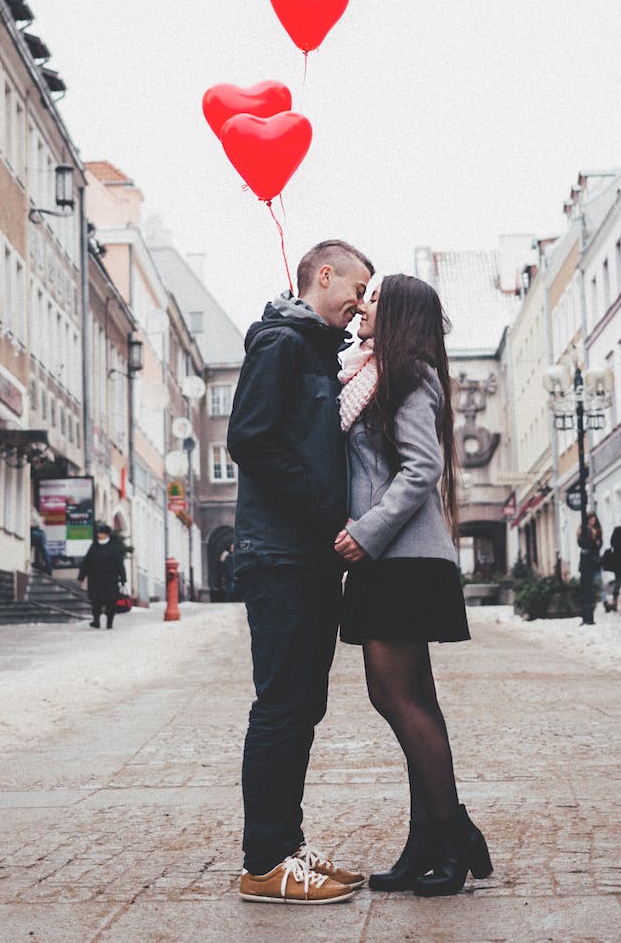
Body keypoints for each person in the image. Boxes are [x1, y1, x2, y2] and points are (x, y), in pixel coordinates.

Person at [334, 274, 491, 897]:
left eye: (373, 299)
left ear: (396, 313)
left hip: (401, 557)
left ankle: (450, 835)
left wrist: (366, 532)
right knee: (408, 700)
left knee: (398, 699)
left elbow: (422, 467)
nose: (361, 306)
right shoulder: (366, 375)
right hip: (387, 559)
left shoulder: (411, 376)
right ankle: (432, 835)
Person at [228, 239, 373, 905]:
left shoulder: (315, 353)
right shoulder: (281, 345)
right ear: (324, 274)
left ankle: (288, 849)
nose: (361, 303)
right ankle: (265, 862)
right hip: (280, 554)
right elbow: (250, 438)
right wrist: (326, 516)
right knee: (283, 706)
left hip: (306, 556)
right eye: (357, 287)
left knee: (301, 706)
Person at [78, 524, 125, 629]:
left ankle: (109, 622)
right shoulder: (94, 546)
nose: (99, 535)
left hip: (110, 579)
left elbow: (119, 564)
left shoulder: (114, 547)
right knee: (95, 601)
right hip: (95, 578)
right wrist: (81, 576)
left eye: (102, 533)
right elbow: (86, 562)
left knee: (111, 602)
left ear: (107, 534)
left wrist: (123, 578)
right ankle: (96, 621)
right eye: (98, 533)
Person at [576, 513, 604, 626]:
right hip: (587, 562)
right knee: (586, 588)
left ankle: (602, 602)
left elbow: (598, 544)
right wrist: (593, 541)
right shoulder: (584, 530)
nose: (593, 521)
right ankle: (586, 616)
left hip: (594, 561)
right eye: (591, 519)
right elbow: (583, 543)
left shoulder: (597, 531)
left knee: (596, 584)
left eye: (594, 519)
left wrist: (595, 542)